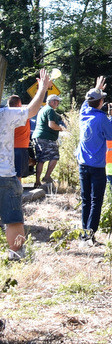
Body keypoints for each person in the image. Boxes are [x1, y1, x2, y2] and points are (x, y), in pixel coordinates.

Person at [1, 71, 53, 260]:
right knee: (13, 218)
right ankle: (16, 254)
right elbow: (32, 110)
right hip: (5, 173)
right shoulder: (5, 114)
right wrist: (41, 89)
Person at [78, 76, 112, 244]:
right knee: (96, 201)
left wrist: (96, 89)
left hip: (83, 164)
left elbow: (87, 102)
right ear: (101, 102)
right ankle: (90, 235)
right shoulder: (102, 118)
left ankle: (84, 233)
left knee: (86, 199)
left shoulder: (83, 113)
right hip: (97, 166)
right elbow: (111, 135)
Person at [32, 90, 66, 190]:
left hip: (38, 137)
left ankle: (37, 181)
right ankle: (46, 177)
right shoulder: (50, 110)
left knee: (41, 159)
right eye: (57, 101)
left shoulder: (42, 109)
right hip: (46, 138)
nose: (58, 103)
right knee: (55, 156)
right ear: (52, 102)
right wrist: (61, 128)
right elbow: (51, 125)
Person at [7, 95, 32, 183]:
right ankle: (17, 192)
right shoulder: (22, 114)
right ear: (19, 103)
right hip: (20, 146)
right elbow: (32, 109)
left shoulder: (6, 114)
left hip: (8, 146)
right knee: (18, 173)